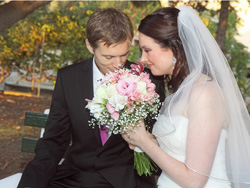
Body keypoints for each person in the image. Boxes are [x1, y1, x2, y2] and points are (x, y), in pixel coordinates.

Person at [18, 8, 165, 188]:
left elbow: (158, 140)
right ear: (90, 46)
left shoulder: (148, 80)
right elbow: (54, 141)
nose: (118, 64)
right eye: (109, 56)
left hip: (125, 180)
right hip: (76, 177)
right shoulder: (68, 78)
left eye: (124, 54)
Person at [122, 6, 250, 188]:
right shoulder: (179, 91)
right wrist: (143, 139)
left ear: (174, 47)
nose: (142, 59)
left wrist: (143, 140)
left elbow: (195, 180)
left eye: (147, 50)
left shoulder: (205, 92)